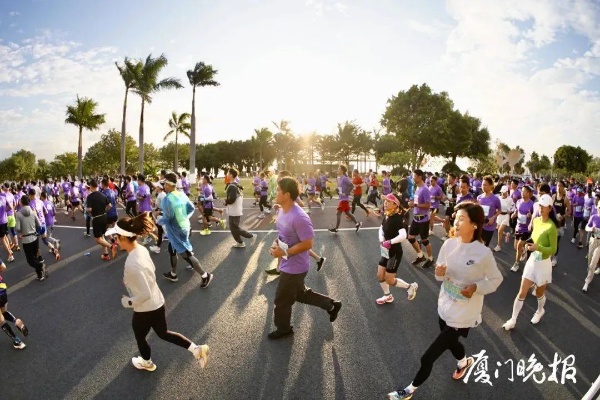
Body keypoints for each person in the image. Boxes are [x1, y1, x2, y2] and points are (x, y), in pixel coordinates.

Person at [387, 202, 503, 400]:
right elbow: (440, 277)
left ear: (475, 224)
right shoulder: (449, 244)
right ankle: (464, 362)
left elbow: (496, 279)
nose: (455, 222)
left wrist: (476, 287)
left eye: (461, 219)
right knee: (450, 342)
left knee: (428, 357)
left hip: (464, 313)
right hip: (445, 305)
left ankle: (409, 390)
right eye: (455, 218)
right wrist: (439, 272)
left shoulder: (483, 253)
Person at [106, 214, 209, 371]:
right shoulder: (141, 250)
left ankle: (147, 362)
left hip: (145, 308)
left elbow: (144, 293)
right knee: (163, 333)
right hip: (157, 301)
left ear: (124, 238)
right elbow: (150, 274)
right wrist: (130, 282)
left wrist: (127, 302)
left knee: (140, 334)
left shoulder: (132, 264)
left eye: (116, 237)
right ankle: (197, 349)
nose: (115, 240)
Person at [267, 177, 341, 339]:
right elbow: (283, 234)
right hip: (288, 263)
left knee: (282, 301)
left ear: (286, 194)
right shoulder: (281, 210)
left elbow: (307, 244)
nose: (275, 192)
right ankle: (331, 305)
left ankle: (284, 329)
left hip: (296, 267)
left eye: (278, 190)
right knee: (300, 294)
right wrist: (275, 245)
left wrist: (283, 253)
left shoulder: (299, 217)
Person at [503, 194, 558, 331]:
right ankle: (513, 319)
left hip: (544, 264)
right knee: (522, 292)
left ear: (550, 208)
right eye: (539, 205)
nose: (540, 207)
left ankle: (540, 311)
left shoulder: (552, 227)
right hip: (532, 261)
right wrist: (525, 243)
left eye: (543, 206)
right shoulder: (537, 220)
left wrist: (537, 247)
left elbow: (553, 249)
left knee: (539, 293)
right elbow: (534, 238)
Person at [159, 173, 213, 287]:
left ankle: (205, 275)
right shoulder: (182, 194)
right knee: (171, 249)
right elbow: (191, 208)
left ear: (168, 184)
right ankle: (173, 273)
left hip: (176, 231)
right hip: (184, 227)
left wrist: (156, 219)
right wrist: (183, 218)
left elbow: (167, 218)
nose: (163, 186)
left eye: (164, 183)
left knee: (186, 255)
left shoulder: (167, 199)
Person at [375, 193, 418, 305]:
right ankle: (387, 296)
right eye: (385, 201)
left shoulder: (399, 219)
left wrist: (390, 242)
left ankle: (410, 287)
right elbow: (381, 228)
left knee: (389, 279)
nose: (385, 203)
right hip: (386, 250)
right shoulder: (387, 215)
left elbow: (403, 235)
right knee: (380, 275)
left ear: (395, 205)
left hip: (395, 252)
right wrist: (381, 239)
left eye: (388, 201)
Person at [15, 196, 48, 281]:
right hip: (35, 237)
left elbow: (18, 228)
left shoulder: (18, 214)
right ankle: (40, 275)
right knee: (35, 257)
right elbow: (39, 225)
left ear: (21, 202)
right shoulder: (33, 212)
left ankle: (41, 266)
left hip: (26, 240)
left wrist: (21, 231)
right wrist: (36, 232)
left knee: (30, 261)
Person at [408, 169, 434, 268]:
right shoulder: (417, 188)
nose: (412, 178)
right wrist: (411, 204)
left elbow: (428, 205)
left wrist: (414, 204)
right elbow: (416, 202)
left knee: (424, 240)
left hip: (423, 219)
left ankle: (431, 258)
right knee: (411, 238)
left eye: (414, 176)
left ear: (419, 177)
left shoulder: (425, 189)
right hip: (416, 218)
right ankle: (420, 255)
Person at [0, 259, 28, 349]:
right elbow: (3, 267)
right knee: (4, 311)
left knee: (1, 320)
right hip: (2, 289)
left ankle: (17, 341)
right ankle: (16, 321)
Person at [86, 180, 116, 261]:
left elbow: (89, 209)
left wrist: (86, 210)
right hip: (104, 217)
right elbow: (109, 205)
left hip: (97, 218)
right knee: (102, 236)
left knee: (98, 239)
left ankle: (111, 246)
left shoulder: (90, 196)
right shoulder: (102, 194)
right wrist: (105, 210)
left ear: (91, 186)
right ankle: (106, 254)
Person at [225, 168, 254, 248]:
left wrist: (226, 201)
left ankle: (251, 236)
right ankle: (240, 242)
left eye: (228, 173)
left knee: (233, 227)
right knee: (233, 227)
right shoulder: (235, 185)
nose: (227, 174)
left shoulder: (233, 186)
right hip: (236, 209)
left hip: (234, 210)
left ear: (231, 175)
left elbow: (232, 199)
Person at [328, 165, 361, 233]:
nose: (337, 170)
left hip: (344, 199)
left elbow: (351, 186)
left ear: (342, 171)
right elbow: (341, 187)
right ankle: (357, 224)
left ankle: (336, 229)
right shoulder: (340, 178)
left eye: (338, 169)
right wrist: (337, 189)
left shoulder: (345, 178)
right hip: (342, 198)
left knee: (338, 213)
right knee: (348, 213)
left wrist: (346, 193)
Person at [510, 186, 534, 272]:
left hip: (526, 229)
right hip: (518, 227)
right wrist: (514, 214)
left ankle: (516, 263)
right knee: (516, 247)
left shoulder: (532, 204)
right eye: (522, 191)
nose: (522, 193)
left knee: (519, 245)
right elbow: (516, 211)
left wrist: (530, 216)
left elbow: (534, 217)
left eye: (524, 192)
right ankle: (523, 251)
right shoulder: (518, 201)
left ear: (529, 193)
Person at [477, 175, 502, 248]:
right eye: (482, 184)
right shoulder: (479, 197)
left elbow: (499, 210)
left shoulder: (495, 199)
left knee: (484, 246)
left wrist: (493, 218)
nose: (483, 186)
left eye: (485, 185)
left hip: (489, 227)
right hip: (480, 225)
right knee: (478, 245)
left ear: (491, 186)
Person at [582, 203, 600, 293]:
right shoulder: (594, 217)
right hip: (593, 240)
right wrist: (591, 229)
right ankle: (590, 271)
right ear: (597, 208)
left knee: (593, 263)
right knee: (589, 262)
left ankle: (587, 282)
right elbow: (586, 227)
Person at [493, 185, 514, 252]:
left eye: (504, 192)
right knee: (499, 230)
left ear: (507, 192)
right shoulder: (498, 198)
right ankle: (506, 234)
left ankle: (499, 246)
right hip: (499, 216)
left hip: (506, 216)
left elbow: (514, 207)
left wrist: (510, 210)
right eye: (502, 192)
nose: (503, 193)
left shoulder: (510, 199)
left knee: (499, 231)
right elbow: (495, 206)